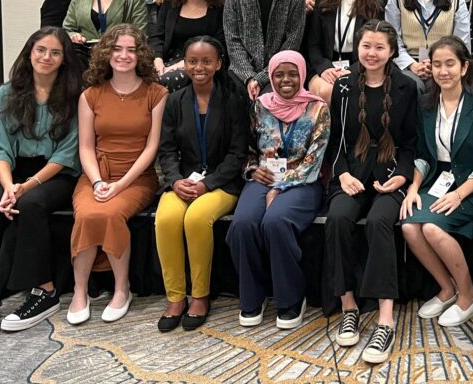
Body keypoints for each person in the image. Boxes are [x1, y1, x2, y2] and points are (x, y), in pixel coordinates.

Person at [0, 28, 83, 334]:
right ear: (29, 53)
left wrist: (26, 187)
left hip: (55, 173)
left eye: (55, 52)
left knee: (31, 204)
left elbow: (67, 153)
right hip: (13, 171)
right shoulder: (7, 93)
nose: (46, 58)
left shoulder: (75, 95)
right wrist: (9, 187)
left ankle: (44, 291)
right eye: (40, 50)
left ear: (64, 59)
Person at [325, 20, 418, 365]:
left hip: (390, 174)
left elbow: (410, 144)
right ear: (357, 47)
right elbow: (335, 141)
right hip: (351, 173)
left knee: (380, 222)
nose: (372, 53)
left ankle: (385, 317)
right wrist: (343, 174)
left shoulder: (408, 88)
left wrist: (402, 177)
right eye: (366, 46)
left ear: (392, 51)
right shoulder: (345, 87)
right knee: (337, 218)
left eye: (380, 47)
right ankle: (348, 305)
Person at [67, 25, 168, 325]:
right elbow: (86, 147)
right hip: (97, 173)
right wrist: (98, 181)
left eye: (131, 50)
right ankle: (79, 291)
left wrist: (120, 185)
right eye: (117, 49)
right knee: (86, 214)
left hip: (137, 177)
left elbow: (152, 148)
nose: (124, 55)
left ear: (141, 55)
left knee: (110, 214)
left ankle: (122, 289)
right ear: (106, 53)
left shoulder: (156, 93)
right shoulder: (90, 95)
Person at [227, 51, 330, 330]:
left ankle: (290, 298)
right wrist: (252, 170)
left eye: (292, 73)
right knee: (243, 224)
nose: (286, 80)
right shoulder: (260, 106)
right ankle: (254, 295)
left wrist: (282, 186)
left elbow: (315, 158)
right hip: (263, 176)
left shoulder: (318, 108)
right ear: (271, 76)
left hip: (303, 182)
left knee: (276, 221)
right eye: (279, 74)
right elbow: (248, 149)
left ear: (302, 74)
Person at [401, 36, 473, 329]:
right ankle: (447, 288)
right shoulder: (427, 105)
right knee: (408, 225)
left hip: (471, 186)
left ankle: (469, 295)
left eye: (450, 64)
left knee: (431, 227)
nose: (443, 71)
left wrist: (459, 196)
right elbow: (422, 154)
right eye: (438, 64)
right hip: (437, 180)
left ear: (464, 67)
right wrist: (414, 188)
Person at [154, 36, 247, 331]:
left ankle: (200, 295)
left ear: (219, 64)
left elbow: (238, 153)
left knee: (195, 219)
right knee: (166, 219)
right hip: (184, 179)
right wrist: (175, 180)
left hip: (222, 182)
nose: (199, 67)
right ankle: (175, 297)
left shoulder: (233, 100)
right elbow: (166, 150)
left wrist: (209, 183)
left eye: (207, 61)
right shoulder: (175, 100)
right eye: (192, 61)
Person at [305, 0, 383, 103]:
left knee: (352, 91)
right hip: (325, 64)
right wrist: (325, 68)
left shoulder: (375, 6)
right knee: (329, 91)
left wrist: (353, 71)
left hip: (360, 66)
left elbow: (374, 47)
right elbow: (313, 44)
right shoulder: (323, 0)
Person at [149, 0, 231, 92]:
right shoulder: (169, 4)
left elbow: (220, 44)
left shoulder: (220, 7)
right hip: (168, 62)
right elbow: (157, 37)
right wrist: (158, 61)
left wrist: (183, 64)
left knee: (164, 82)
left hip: (203, 64)